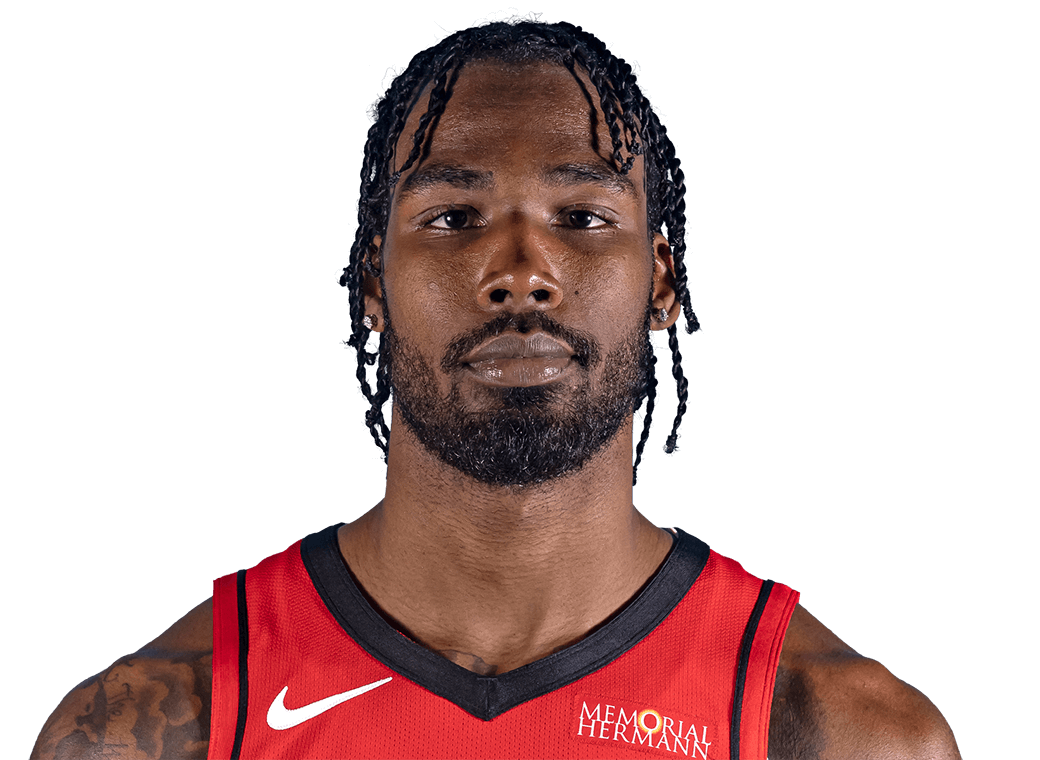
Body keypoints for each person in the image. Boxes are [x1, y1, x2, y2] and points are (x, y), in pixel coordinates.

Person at [33, 13, 960, 760]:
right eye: (453, 217)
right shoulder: (162, 727)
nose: (521, 272)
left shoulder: (838, 732)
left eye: (583, 216)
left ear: (662, 285)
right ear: (372, 285)